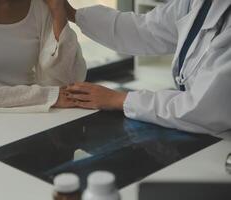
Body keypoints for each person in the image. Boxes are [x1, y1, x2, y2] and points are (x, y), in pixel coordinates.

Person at [63, 0, 231, 135]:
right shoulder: (199, 3)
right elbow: (146, 29)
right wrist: (72, 14)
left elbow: (203, 108)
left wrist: (118, 99)